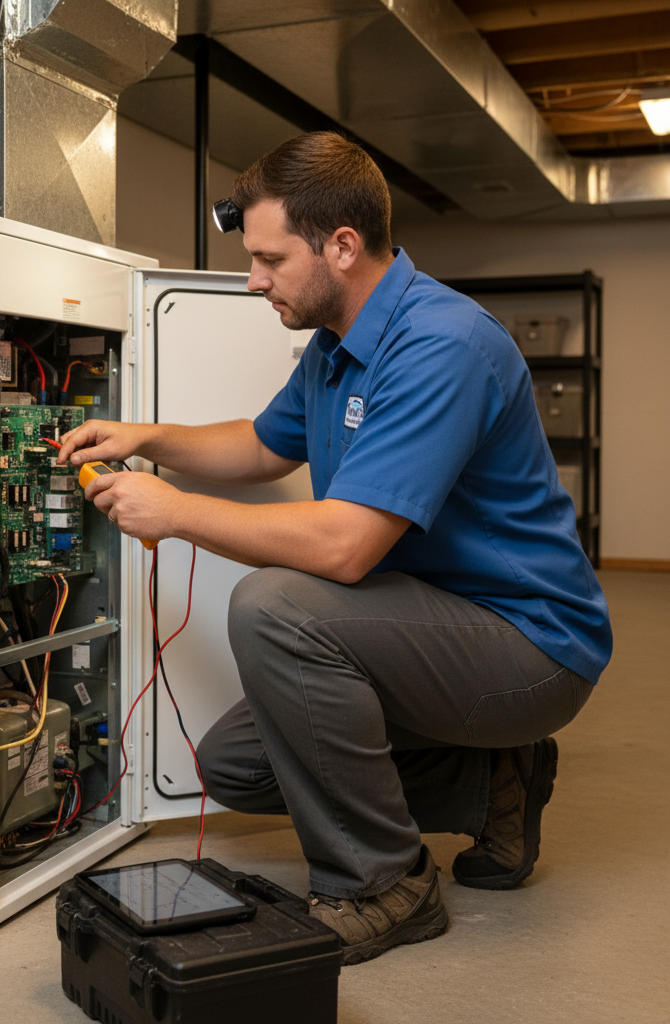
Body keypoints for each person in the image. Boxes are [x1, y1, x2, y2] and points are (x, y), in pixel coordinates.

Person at [56, 132, 612, 966]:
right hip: (430, 627)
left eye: (271, 259)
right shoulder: (335, 346)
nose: (254, 279)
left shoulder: (441, 345)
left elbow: (348, 548)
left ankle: (384, 884)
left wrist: (175, 513)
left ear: (342, 246)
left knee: (276, 606)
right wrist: (149, 436)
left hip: (529, 643)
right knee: (236, 767)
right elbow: (262, 444)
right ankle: (492, 781)